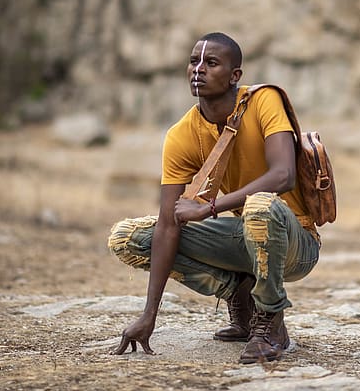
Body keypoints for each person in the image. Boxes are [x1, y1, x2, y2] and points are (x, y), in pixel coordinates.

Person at [108, 32, 320, 363]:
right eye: (194, 61)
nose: (199, 69)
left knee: (261, 206)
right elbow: (168, 224)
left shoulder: (264, 100)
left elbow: (283, 175)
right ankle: (239, 295)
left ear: (235, 75)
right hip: (243, 238)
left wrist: (209, 207)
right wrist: (149, 314)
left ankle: (270, 321)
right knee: (129, 238)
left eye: (212, 62)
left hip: (296, 241)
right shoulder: (182, 134)